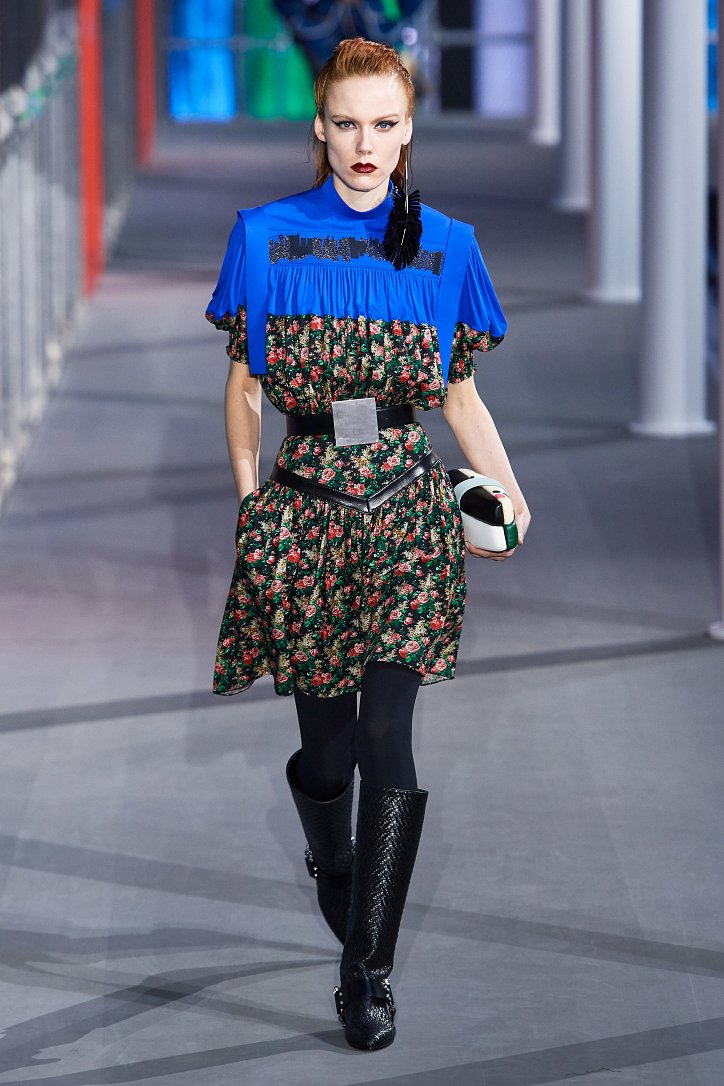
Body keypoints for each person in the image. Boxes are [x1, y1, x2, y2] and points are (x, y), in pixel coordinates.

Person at [205, 37, 531, 1052]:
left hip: (407, 510)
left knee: (389, 733)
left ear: (407, 131)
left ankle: (367, 973)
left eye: (384, 124)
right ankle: (335, 859)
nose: (364, 142)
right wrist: (251, 505)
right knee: (326, 748)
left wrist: (509, 490)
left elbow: (459, 393)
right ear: (319, 125)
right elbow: (245, 388)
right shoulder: (265, 237)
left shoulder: (447, 245)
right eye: (346, 122)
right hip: (304, 510)